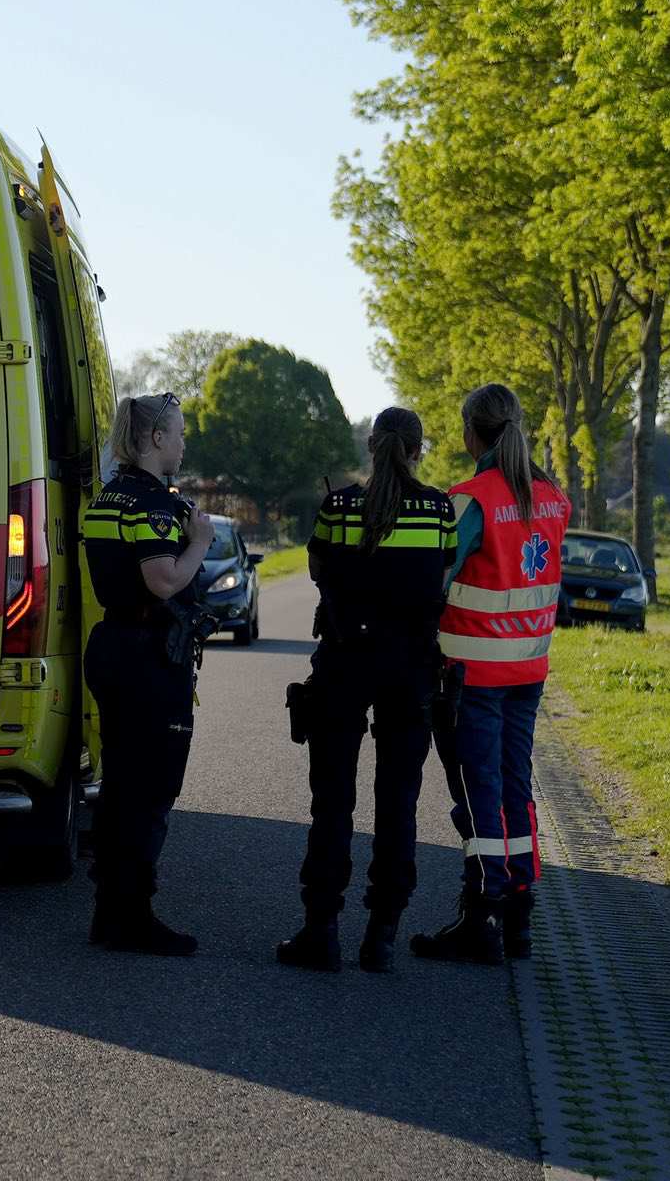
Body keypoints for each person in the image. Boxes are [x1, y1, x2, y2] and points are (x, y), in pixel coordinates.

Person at [277, 407, 456, 973]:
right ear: (418, 450)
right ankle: (382, 935)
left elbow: (318, 569)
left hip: (344, 665)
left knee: (332, 801)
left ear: (373, 444)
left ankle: (321, 930)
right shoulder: (439, 509)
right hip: (411, 668)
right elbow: (442, 575)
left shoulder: (338, 506)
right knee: (398, 802)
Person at [412, 383, 570, 965]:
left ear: (469, 432)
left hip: (472, 671)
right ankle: (521, 912)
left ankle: (481, 914)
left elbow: (438, 577)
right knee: (514, 784)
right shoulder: (552, 495)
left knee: (480, 791)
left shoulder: (470, 498)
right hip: (529, 669)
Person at [81, 392, 214, 956]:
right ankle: (132, 914)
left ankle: (111, 909)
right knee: (152, 788)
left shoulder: (109, 495)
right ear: (156, 438)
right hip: (148, 656)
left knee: (121, 784)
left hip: (114, 647)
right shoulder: (152, 505)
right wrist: (201, 545)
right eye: (179, 433)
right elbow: (162, 579)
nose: (184, 443)